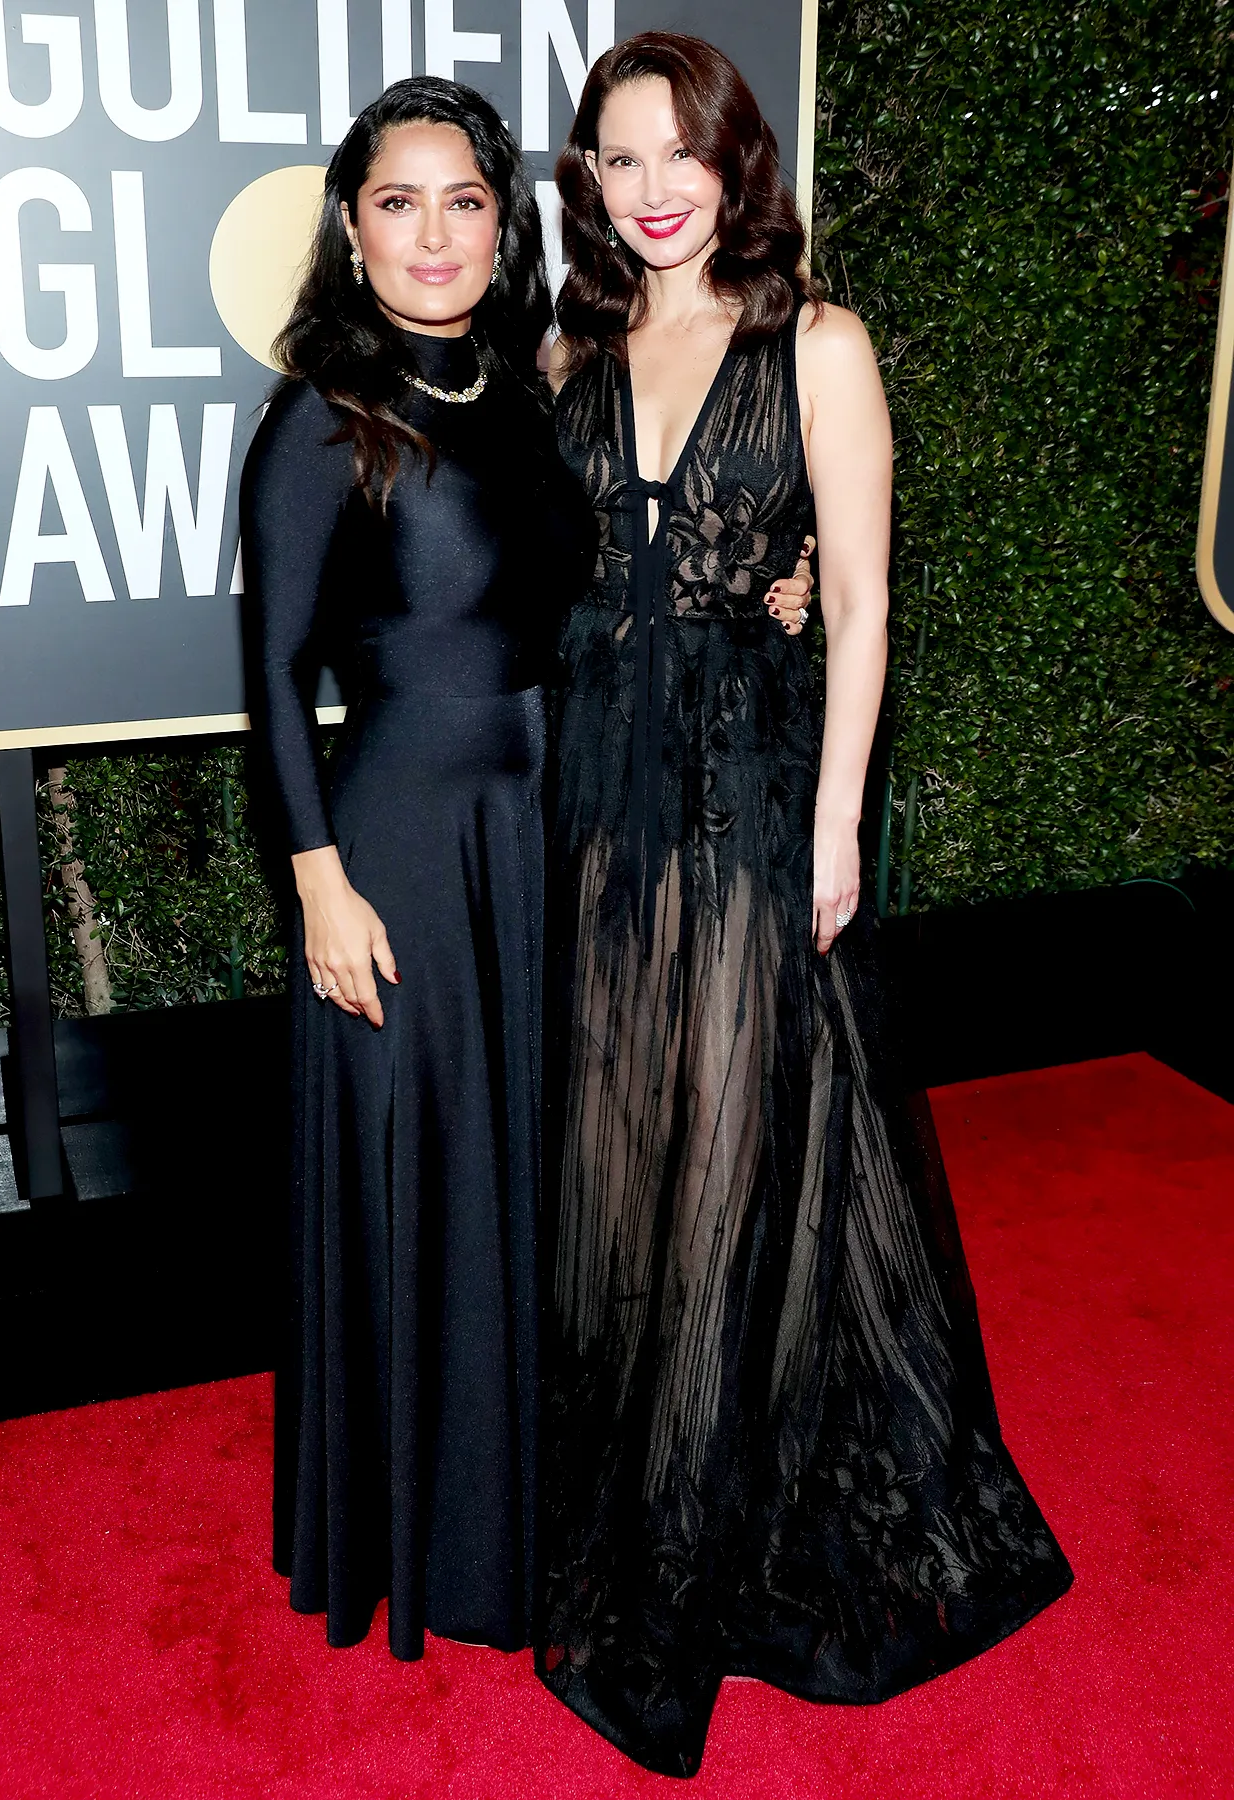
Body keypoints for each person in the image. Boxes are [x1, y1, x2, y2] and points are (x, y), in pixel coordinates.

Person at [536, 32, 1073, 1776]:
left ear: (734, 158)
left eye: (679, 149)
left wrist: (839, 818)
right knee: (618, 1158)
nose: (655, 185)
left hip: (755, 805)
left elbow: (858, 599)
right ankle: (618, 1499)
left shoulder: (817, 342)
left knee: (731, 1150)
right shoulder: (571, 344)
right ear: (591, 186)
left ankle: (683, 1573)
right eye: (619, 160)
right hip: (596, 801)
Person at [241, 75, 812, 1665]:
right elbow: (272, 672)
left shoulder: (532, 391)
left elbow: (641, 557)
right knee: (421, 1180)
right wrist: (318, 880)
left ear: (506, 227)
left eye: (464, 201)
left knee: (531, 1182)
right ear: (354, 236)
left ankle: (525, 1512)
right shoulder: (318, 417)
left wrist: (787, 570)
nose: (434, 233)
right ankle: (425, 1540)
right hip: (406, 846)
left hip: (557, 826)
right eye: (398, 203)